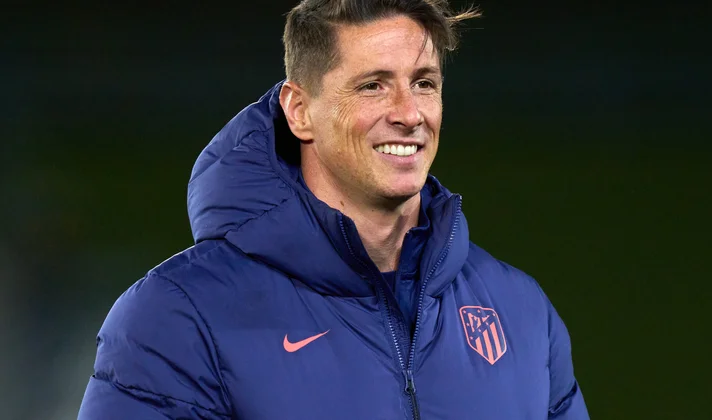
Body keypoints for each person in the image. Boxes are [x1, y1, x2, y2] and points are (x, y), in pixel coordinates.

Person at [78, 1, 590, 419]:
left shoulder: (520, 311)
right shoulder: (178, 316)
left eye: (424, 83)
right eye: (373, 85)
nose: (409, 113)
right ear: (299, 111)